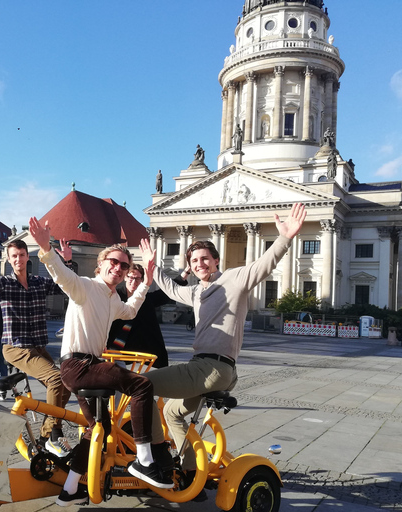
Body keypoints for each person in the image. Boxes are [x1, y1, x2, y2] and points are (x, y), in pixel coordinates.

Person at [140, 202, 307, 473]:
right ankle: (192, 470)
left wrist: (285, 238)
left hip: (212, 368)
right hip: (208, 367)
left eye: (205, 258)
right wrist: (152, 265)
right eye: (194, 261)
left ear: (216, 260)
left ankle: (157, 455)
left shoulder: (233, 279)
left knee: (141, 385)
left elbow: (264, 265)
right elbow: (170, 289)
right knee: (171, 413)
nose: (199, 264)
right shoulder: (195, 293)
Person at [27, 216, 173, 507]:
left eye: (123, 266)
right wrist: (46, 249)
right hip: (80, 366)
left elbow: (130, 311)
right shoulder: (85, 287)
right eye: (114, 262)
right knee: (142, 386)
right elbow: (61, 276)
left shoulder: (111, 299)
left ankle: (70, 490)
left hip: (86, 368)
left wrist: (146, 281)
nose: (118, 269)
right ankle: (144, 460)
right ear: (102, 263)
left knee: (98, 430)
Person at [0, 226, 73, 457]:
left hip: (37, 346)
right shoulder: (4, 284)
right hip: (15, 347)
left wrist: (67, 262)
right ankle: (54, 435)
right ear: (10, 260)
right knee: (54, 378)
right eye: (14, 256)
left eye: (22, 255)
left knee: (66, 384)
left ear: (27, 257)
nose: (19, 259)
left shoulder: (39, 283)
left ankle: (44, 436)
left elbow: (65, 285)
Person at [107, 263, 188, 368]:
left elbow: (168, 292)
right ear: (125, 278)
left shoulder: (146, 299)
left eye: (137, 279)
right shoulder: (114, 296)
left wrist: (186, 272)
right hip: (118, 349)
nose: (134, 281)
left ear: (142, 280)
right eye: (131, 277)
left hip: (145, 349)